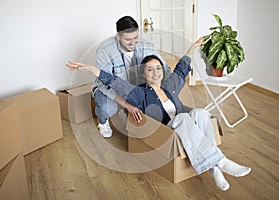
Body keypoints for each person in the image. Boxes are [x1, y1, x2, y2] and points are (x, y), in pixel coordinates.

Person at [66, 37, 251, 191]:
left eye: (158, 68)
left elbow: (181, 68)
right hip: (167, 130)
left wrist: (192, 47)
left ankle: (214, 167)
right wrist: (91, 69)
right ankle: (221, 160)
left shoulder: (169, 86)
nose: (155, 73)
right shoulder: (139, 93)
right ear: (144, 74)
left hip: (185, 130)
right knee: (183, 118)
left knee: (202, 113)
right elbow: (114, 82)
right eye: (150, 69)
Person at [92, 15, 171, 137]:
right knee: (107, 108)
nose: (133, 43)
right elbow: (104, 84)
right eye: (128, 40)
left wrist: (165, 92)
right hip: (110, 89)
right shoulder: (105, 50)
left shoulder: (146, 46)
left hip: (135, 88)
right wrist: (129, 106)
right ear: (118, 36)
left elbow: (165, 69)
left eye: (136, 38)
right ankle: (103, 121)